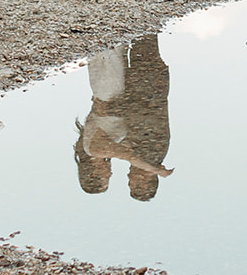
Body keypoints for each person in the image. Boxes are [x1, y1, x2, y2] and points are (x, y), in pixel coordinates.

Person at [74, 34, 173, 199]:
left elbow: (128, 155)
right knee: (117, 45)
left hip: (109, 91)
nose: (112, 174)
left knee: (110, 46)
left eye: (106, 177)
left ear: (93, 173)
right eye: (108, 177)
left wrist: (153, 169)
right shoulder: (100, 151)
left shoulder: (95, 150)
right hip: (115, 92)